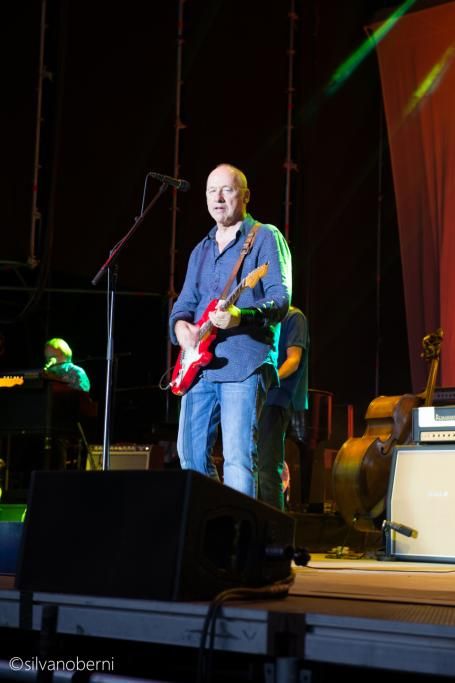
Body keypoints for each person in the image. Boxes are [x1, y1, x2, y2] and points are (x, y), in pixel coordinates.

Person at [169, 163, 292, 497]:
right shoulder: (201, 249)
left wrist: (241, 317)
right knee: (190, 457)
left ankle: (241, 530)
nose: (218, 198)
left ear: (246, 195)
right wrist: (181, 328)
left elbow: (280, 300)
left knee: (238, 459)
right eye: (212, 191)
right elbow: (183, 305)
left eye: (227, 190)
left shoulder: (265, 237)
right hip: (198, 369)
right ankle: (214, 521)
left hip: (244, 363)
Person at [257, 306, 309, 510]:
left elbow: (293, 360)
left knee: (268, 468)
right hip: (259, 399)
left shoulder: (294, 317)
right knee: (253, 467)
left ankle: (274, 526)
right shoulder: (264, 317)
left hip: (275, 399)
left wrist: (268, 381)